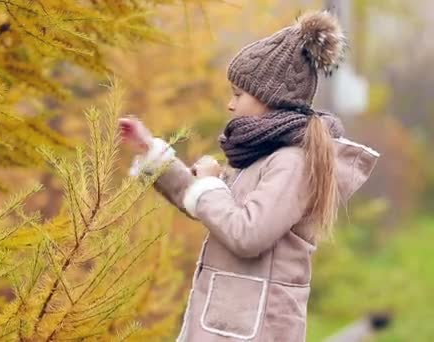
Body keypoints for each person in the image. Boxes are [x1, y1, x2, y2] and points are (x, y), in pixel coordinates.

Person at [119, 11, 379, 342]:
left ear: (271, 99)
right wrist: (151, 152)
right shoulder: (265, 156)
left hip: (257, 331)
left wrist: (212, 184)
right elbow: (210, 209)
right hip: (230, 328)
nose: (230, 105)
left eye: (238, 94)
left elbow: (247, 233)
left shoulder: (293, 162)